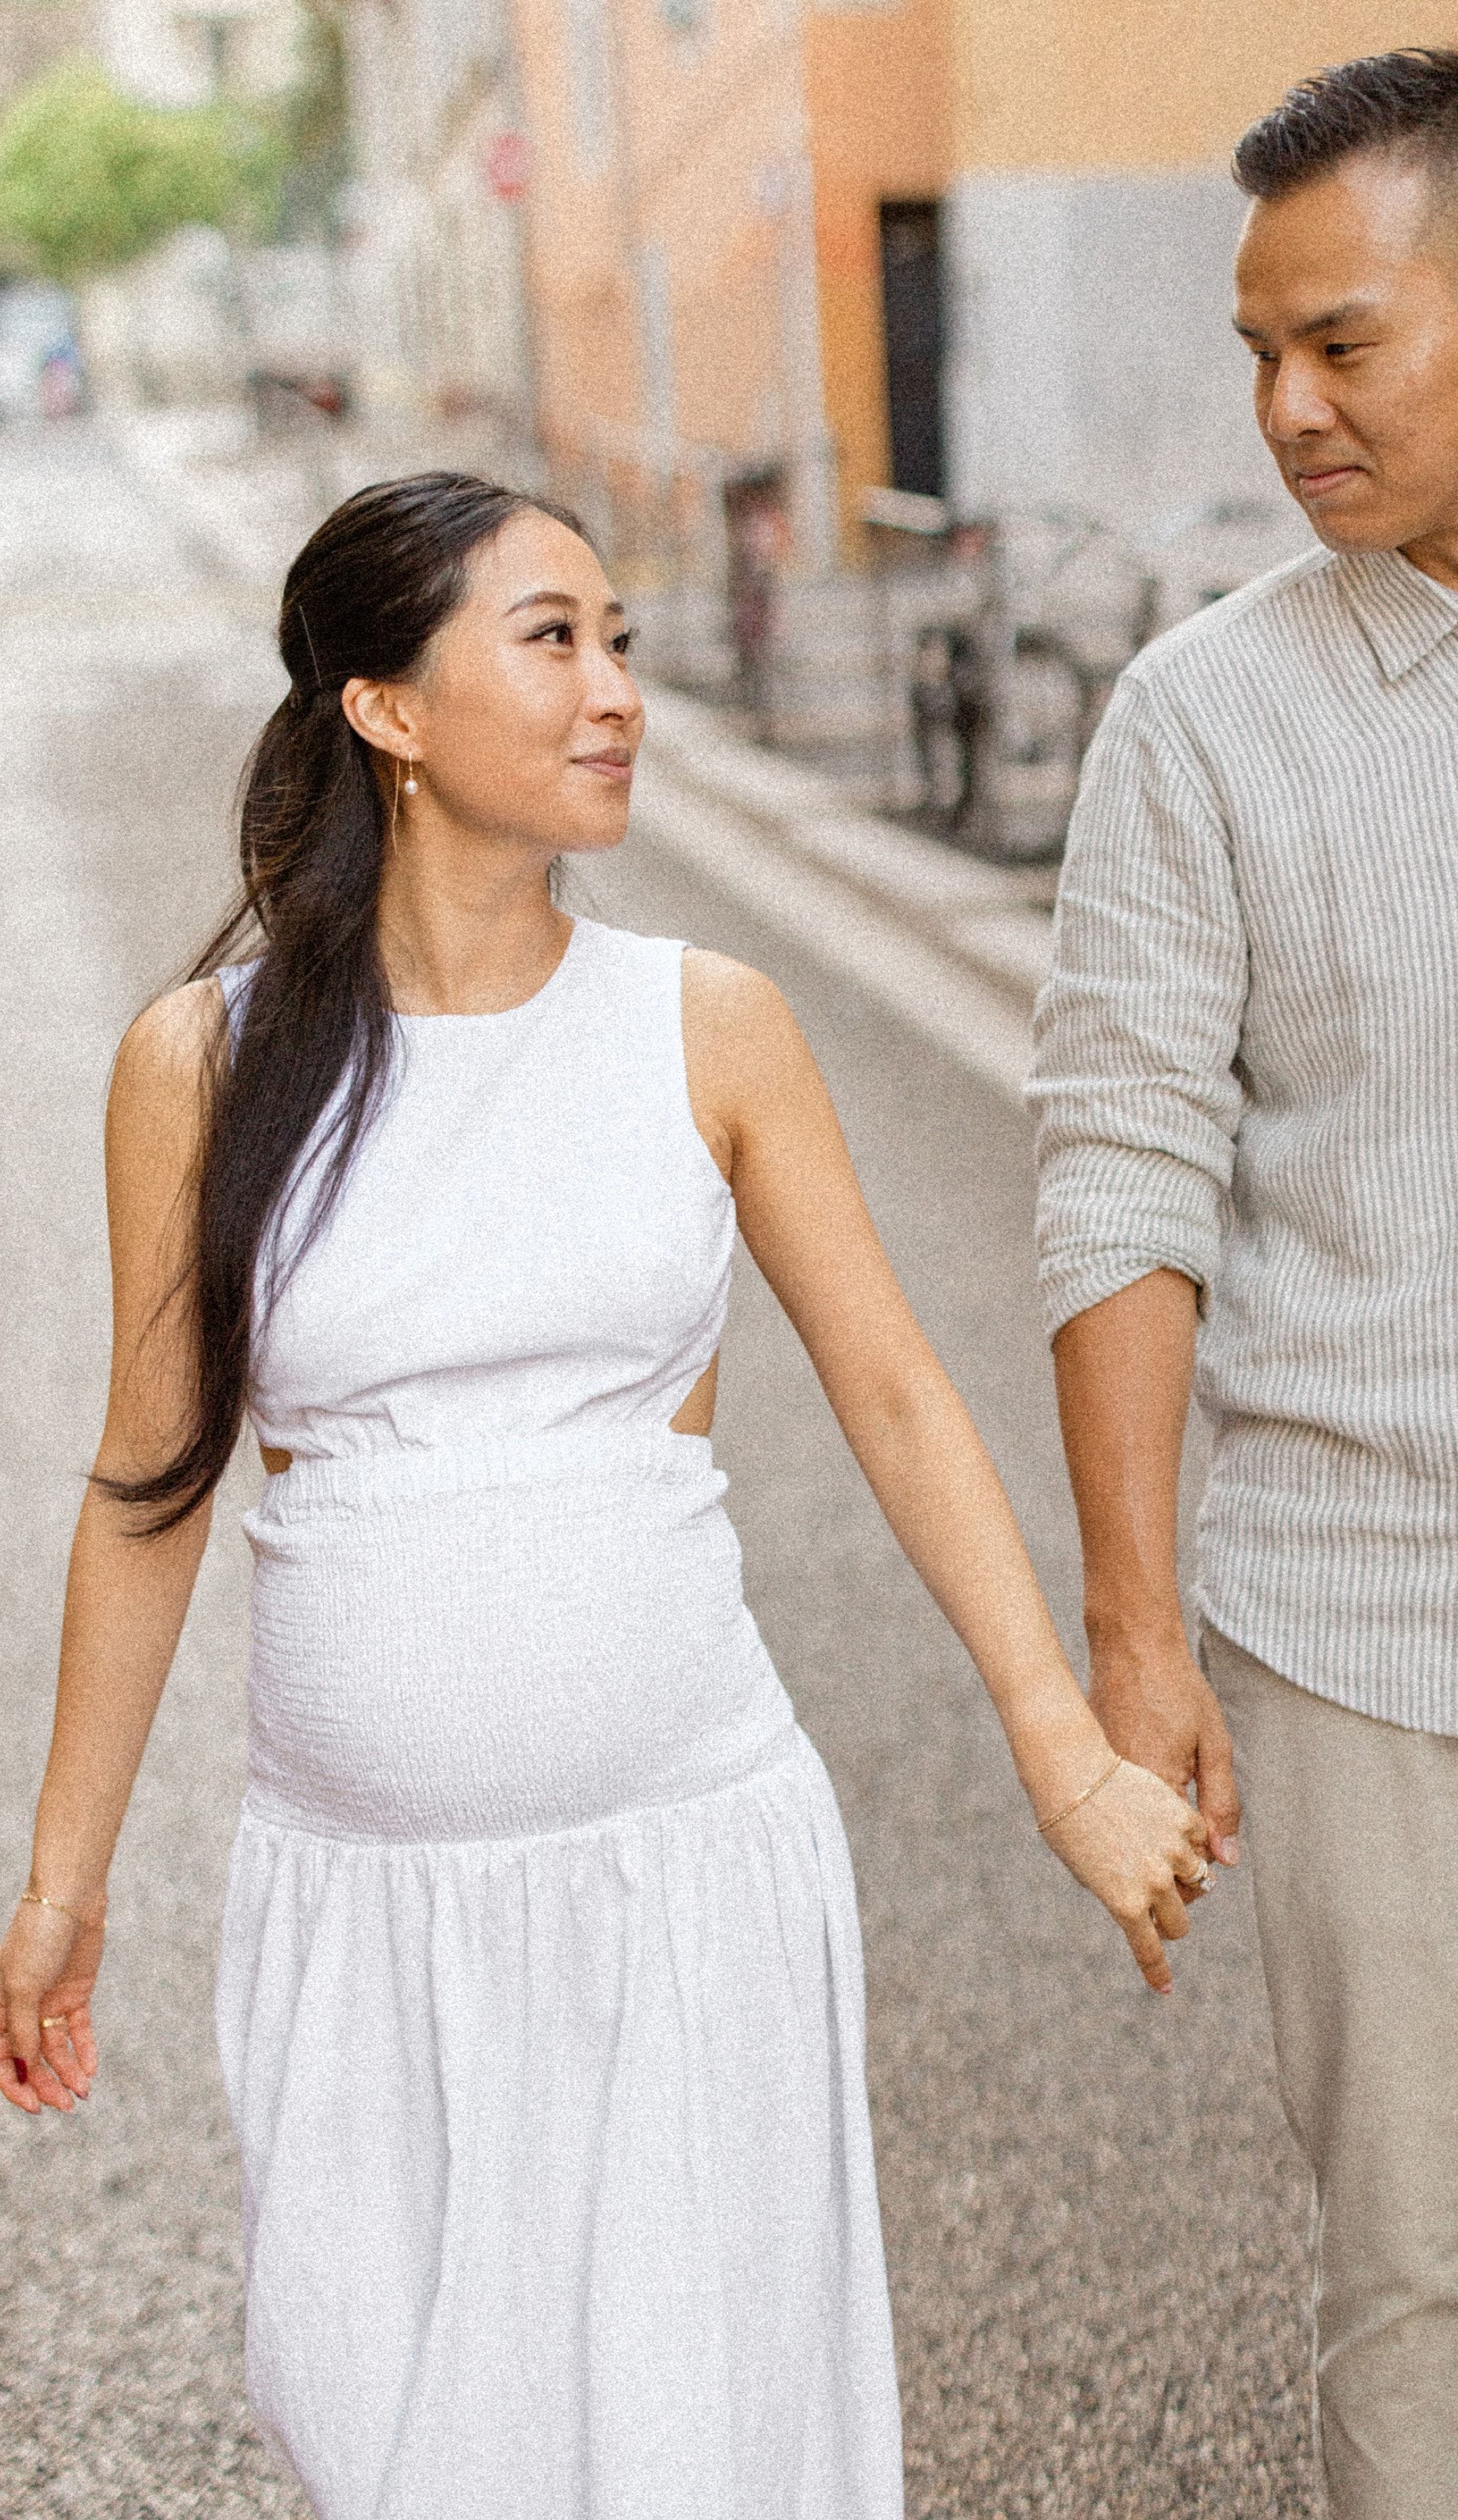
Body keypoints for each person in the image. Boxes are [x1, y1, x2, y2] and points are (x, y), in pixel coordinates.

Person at [0, 473, 1206, 2519]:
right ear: (385, 703)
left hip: (687, 1884)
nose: (616, 688)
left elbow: (900, 1398)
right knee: (407, 2452)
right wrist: (63, 1879)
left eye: (620, 640)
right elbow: (147, 1489)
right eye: (552, 639)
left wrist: (1062, 1745)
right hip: (365, 1918)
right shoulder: (201, 1062)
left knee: (706, 2450)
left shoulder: (705, 1027)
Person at [1029, 50, 1458, 2520]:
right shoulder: (1201, 720)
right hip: (1365, 1618)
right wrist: (1138, 1630)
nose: (1288, 409)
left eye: (1348, 343)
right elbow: (1121, 1171)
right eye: (1254, 356)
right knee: (1420, 2272)